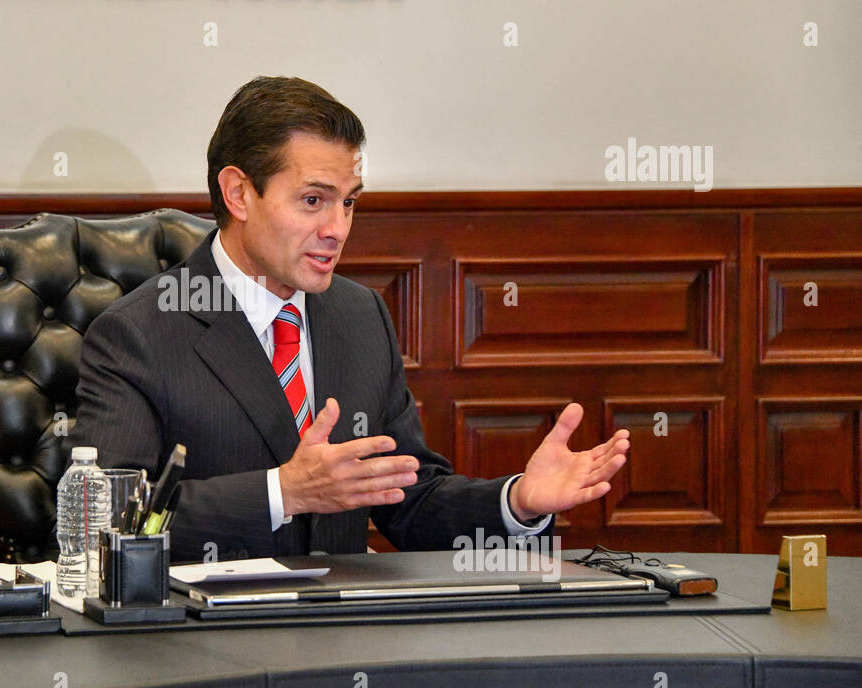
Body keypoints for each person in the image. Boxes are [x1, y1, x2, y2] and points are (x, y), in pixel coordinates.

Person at [72, 76, 630, 562]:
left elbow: (410, 501)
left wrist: (517, 501)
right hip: (206, 651)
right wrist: (282, 493)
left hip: (344, 644)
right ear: (239, 193)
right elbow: (110, 526)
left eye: (350, 202)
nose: (338, 228)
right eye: (314, 201)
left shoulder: (361, 315)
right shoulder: (139, 334)